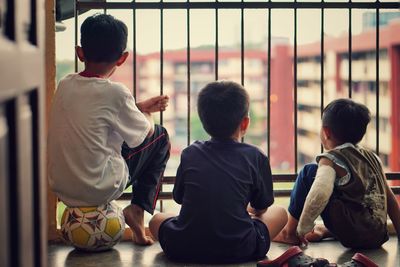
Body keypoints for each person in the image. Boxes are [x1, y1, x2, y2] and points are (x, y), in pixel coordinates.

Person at [48, 14, 170, 246]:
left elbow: (97, 115)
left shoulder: (65, 84)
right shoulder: (116, 92)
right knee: (160, 136)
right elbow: (144, 135)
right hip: (99, 188)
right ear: (122, 58)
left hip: (62, 187)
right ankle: (138, 210)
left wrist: (139, 107)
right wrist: (147, 113)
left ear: (79, 52)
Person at [148, 81, 287, 263]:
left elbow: (179, 198)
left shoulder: (190, 152)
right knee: (281, 213)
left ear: (204, 121)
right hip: (241, 248)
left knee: (156, 219)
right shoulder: (255, 156)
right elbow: (262, 207)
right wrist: (246, 211)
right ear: (245, 123)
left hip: (183, 247)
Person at [274, 98, 400, 249]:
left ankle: (289, 233)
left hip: (354, 236)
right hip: (379, 236)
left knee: (309, 172)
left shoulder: (330, 158)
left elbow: (319, 194)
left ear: (326, 132)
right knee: (348, 196)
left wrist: (302, 229)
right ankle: (327, 231)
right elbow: (390, 198)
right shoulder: (373, 158)